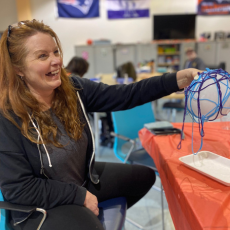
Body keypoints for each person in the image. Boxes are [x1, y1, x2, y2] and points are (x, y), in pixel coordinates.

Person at [0, 19, 201, 230]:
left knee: (144, 177)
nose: (56, 61)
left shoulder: (73, 90)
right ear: (18, 69)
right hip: (40, 205)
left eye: (56, 52)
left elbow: (126, 95)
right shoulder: (7, 116)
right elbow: (19, 189)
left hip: (81, 181)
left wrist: (177, 80)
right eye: (43, 56)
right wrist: (78, 197)